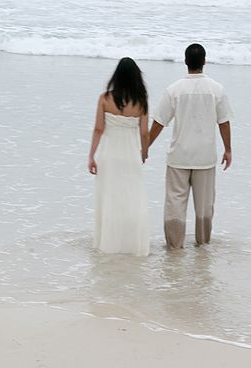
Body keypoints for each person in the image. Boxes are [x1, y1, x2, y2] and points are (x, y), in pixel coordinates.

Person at [149, 43, 233, 249]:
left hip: (179, 155)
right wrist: (228, 149)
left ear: (185, 61)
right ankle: (202, 245)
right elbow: (224, 122)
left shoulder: (174, 89)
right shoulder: (216, 89)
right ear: (204, 61)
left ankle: (174, 246)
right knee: (205, 206)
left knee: (175, 204)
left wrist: (145, 146)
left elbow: (160, 121)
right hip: (205, 156)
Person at [88, 57, 150, 257]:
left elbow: (98, 129)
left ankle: (108, 243)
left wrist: (91, 156)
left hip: (109, 155)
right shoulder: (141, 101)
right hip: (130, 155)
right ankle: (131, 244)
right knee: (132, 199)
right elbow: (144, 133)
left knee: (110, 198)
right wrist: (144, 152)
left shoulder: (105, 98)